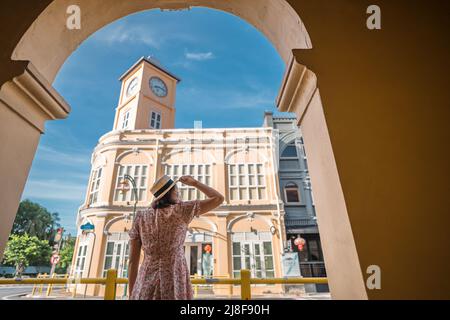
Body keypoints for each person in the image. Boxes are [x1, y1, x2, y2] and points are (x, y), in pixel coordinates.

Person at [127, 174, 224, 300]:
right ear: (171, 193)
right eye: (177, 191)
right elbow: (218, 198)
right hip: (174, 278)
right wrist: (195, 183)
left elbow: (133, 262)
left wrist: (132, 294)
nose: (179, 195)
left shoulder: (141, 216)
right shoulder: (182, 210)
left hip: (146, 280)